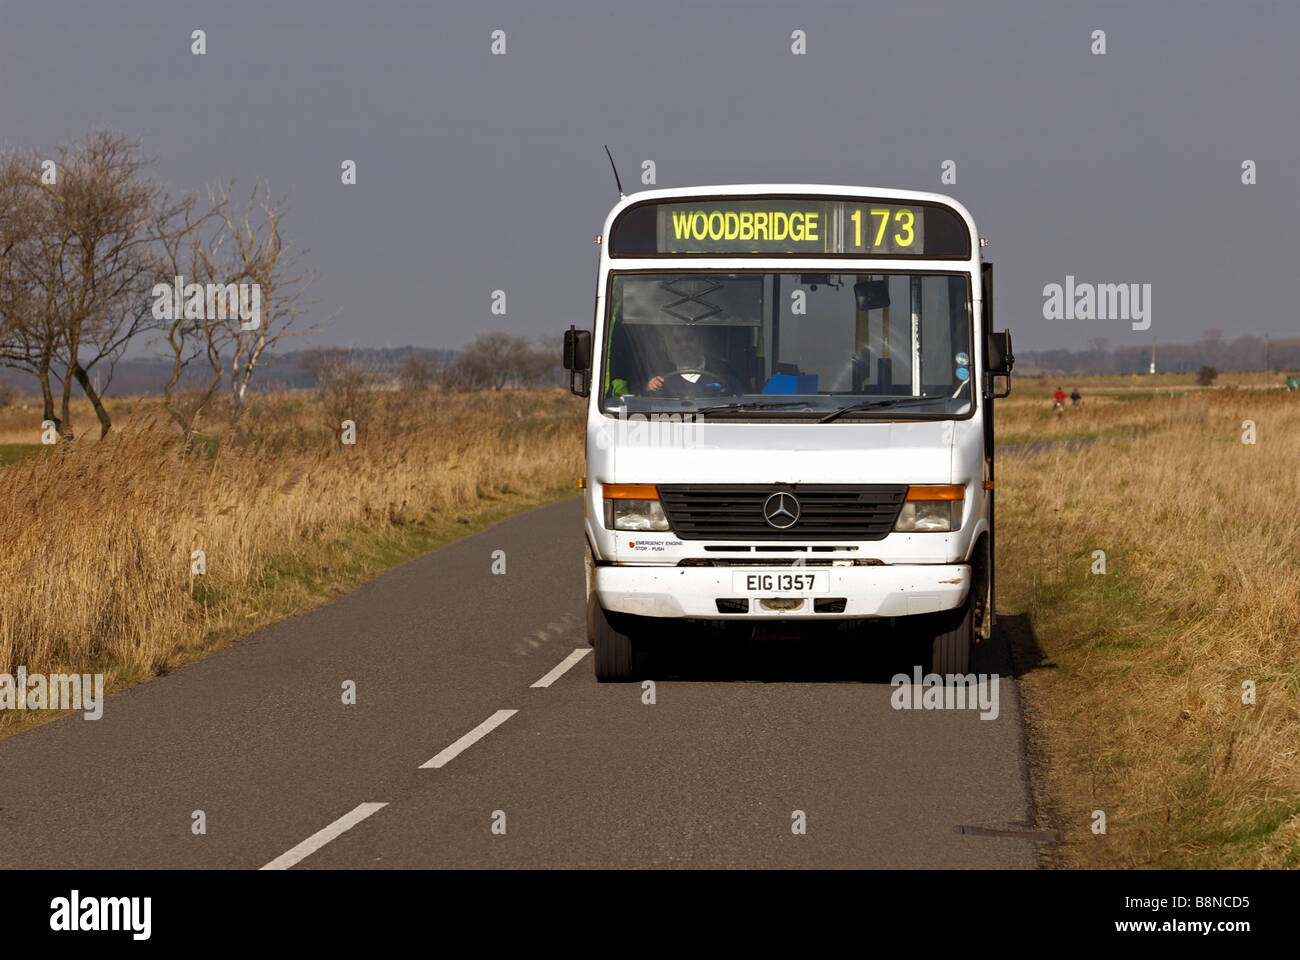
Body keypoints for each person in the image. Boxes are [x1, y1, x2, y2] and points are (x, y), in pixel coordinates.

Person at [645, 324, 741, 395]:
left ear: (700, 341)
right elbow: (648, 405)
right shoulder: (660, 375)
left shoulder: (723, 371)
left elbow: (741, 400)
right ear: (671, 345)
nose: (684, 345)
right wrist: (650, 388)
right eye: (678, 341)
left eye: (690, 339)